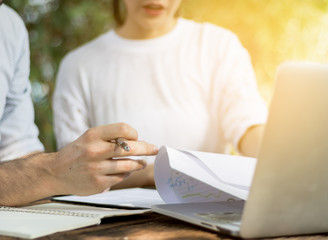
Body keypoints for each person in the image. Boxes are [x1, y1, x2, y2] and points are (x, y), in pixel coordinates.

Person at [53, 0, 268, 188]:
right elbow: (73, 170)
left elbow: (247, 123)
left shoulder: (218, 45)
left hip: (206, 214)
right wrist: (153, 174)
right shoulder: (78, 66)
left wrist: (276, 160)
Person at [0, 3, 158, 207]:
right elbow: (38, 174)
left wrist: (84, 170)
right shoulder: (79, 64)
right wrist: (51, 173)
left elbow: (16, 151)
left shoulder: (8, 25)